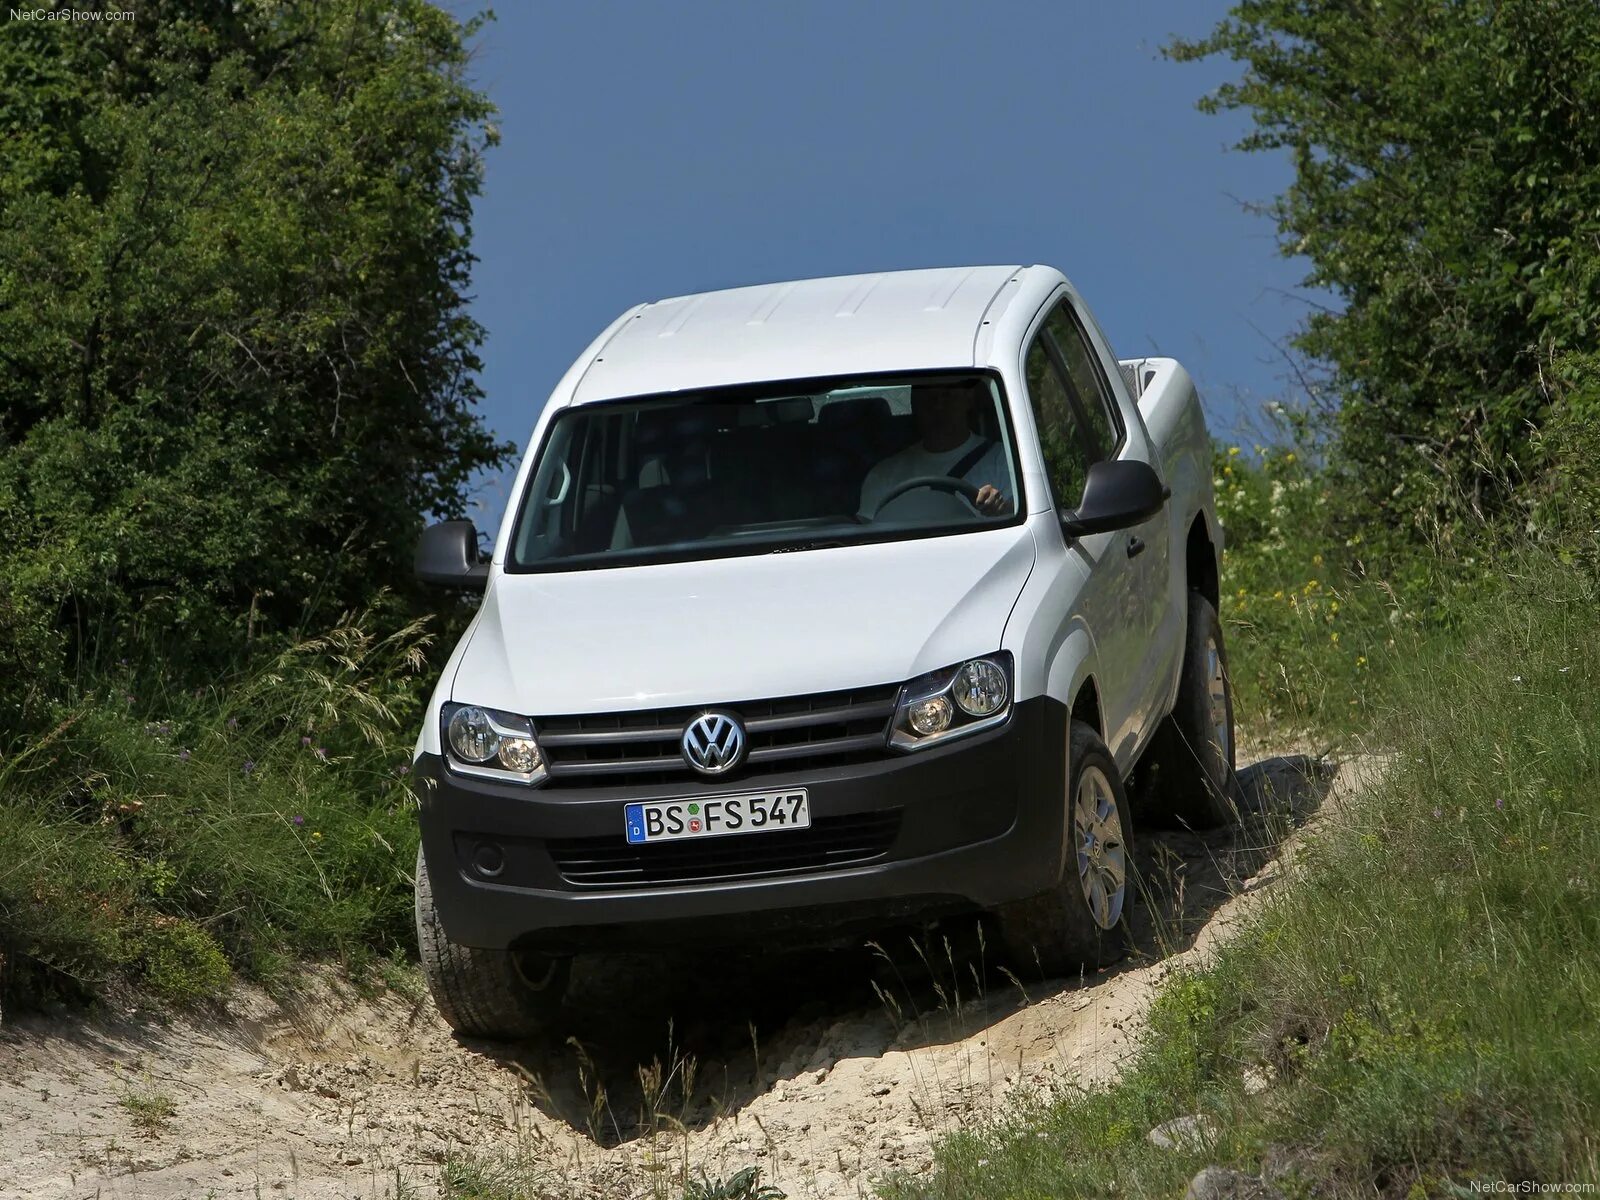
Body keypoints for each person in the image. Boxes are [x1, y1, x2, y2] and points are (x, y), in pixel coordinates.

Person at [856, 382, 1011, 520]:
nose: (938, 406)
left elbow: (1022, 522)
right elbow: (867, 539)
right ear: (914, 404)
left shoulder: (1004, 460)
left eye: (947, 395)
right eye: (928, 398)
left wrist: (1000, 508)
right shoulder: (884, 474)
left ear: (968, 399)